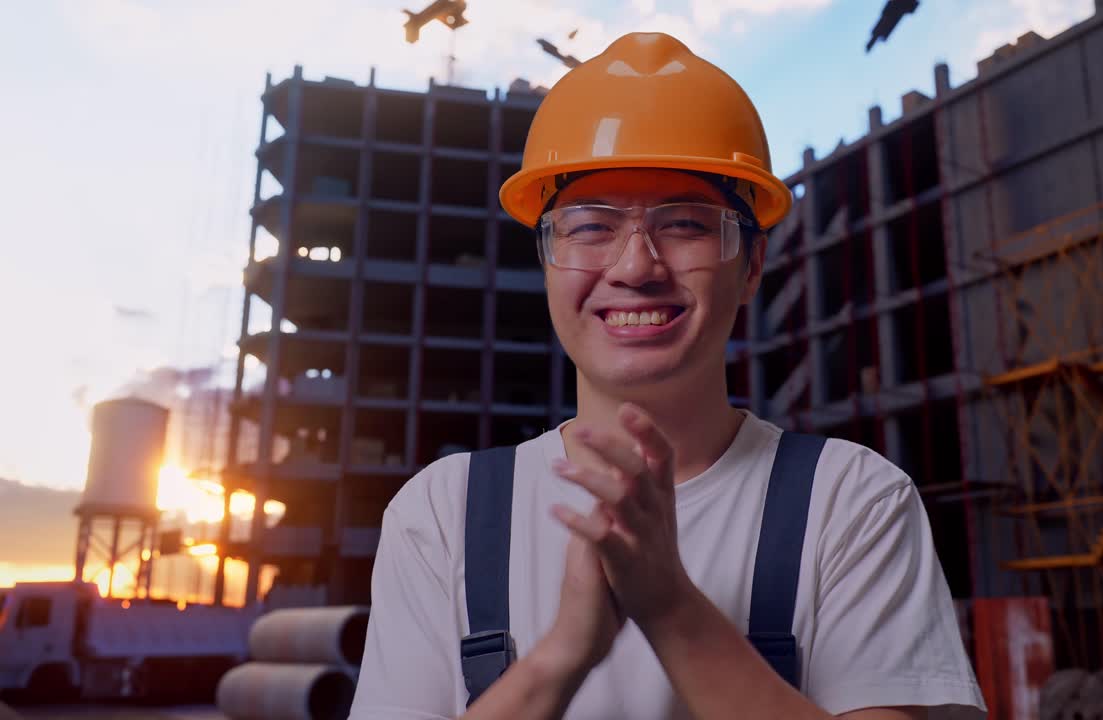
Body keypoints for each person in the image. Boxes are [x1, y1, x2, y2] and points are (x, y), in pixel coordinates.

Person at [349, 31, 985, 720]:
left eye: (684, 224)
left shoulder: (851, 501)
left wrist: (669, 606)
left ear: (752, 265)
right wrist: (563, 654)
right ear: (547, 260)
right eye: (591, 227)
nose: (635, 266)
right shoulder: (446, 515)